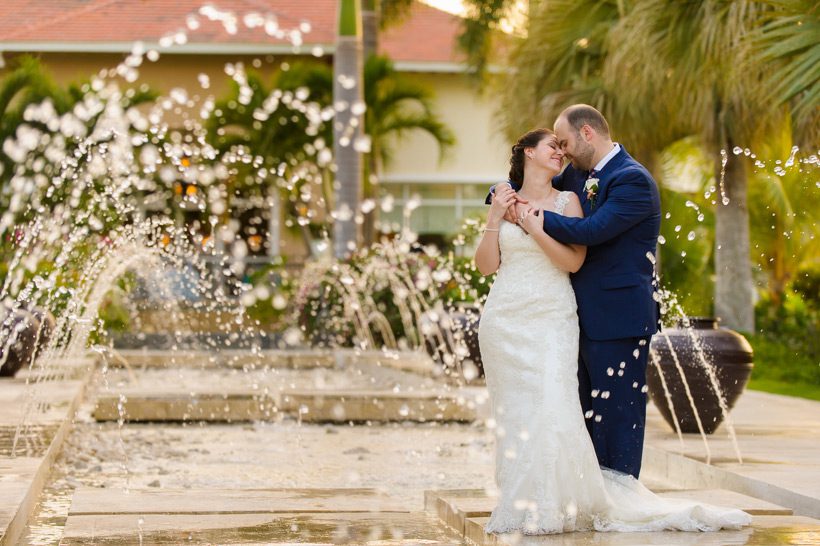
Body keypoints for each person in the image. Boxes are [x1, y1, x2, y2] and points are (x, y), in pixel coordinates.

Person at [475, 123, 751, 534]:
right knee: (520, 411)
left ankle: (603, 496)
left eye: (564, 143)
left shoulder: (626, 180)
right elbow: (489, 254)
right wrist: (499, 206)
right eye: (553, 145)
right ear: (530, 152)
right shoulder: (572, 177)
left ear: (586, 132)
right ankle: (524, 497)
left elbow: (586, 240)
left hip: (585, 313)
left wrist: (536, 225)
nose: (562, 153)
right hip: (508, 319)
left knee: (570, 406)